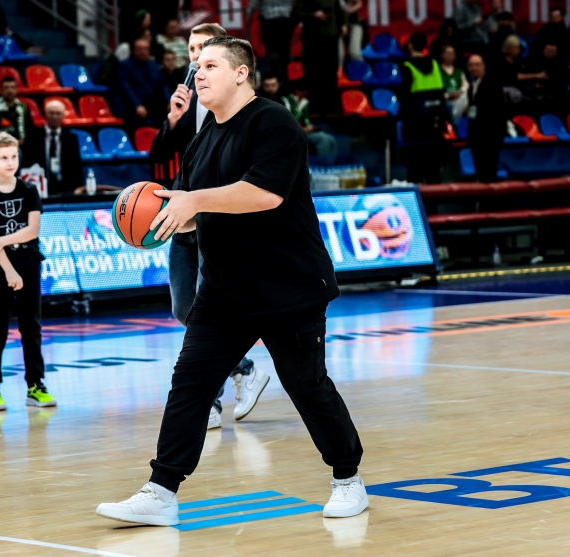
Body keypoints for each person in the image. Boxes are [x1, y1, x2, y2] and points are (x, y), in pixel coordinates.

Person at [95, 35, 367, 527]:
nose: (198, 73)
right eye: (196, 66)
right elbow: (195, 210)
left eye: (210, 65)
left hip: (288, 286)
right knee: (190, 384)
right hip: (224, 291)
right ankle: (161, 490)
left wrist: (195, 201)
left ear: (241, 73)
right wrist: (163, 220)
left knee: (307, 386)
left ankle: (348, 478)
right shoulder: (201, 139)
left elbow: (265, 195)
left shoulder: (273, 122)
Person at [149, 22, 266, 429]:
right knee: (183, 306)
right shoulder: (188, 100)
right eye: (191, 50)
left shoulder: (241, 108)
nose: (195, 59)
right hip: (185, 214)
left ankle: (210, 402)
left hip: (219, 218)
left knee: (207, 310)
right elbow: (160, 155)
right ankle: (245, 368)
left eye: (203, 50)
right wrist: (172, 119)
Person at [0, 131, 56, 412]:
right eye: (3, 158)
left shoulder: (29, 190)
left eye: (13, 156)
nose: (10, 162)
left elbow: (33, 230)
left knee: (31, 327)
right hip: (1, 269)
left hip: (30, 263)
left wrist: (3, 240)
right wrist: (9, 270)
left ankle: (36, 385)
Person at [400, 33, 447, 184]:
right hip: (434, 124)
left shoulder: (407, 66)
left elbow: (404, 96)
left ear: (410, 45)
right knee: (434, 171)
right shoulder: (434, 64)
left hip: (415, 125)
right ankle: (436, 199)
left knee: (415, 171)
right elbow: (441, 91)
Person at [22, 99, 83, 196]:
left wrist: (79, 189)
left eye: (58, 113)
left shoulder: (71, 138)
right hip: (40, 187)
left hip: (66, 187)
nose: (54, 117)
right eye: (51, 113)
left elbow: (76, 166)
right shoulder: (33, 137)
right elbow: (27, 164)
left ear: (63, 116)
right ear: (45, 114)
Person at [293, 0, 342, 115]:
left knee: (330, 74)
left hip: (330, 38)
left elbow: (338, 10)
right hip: (312, 38)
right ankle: (314, 109)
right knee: (313, 73)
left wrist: (342, 24)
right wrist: (314, 14)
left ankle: (331, 109)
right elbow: (296, 13)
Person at [466, 54, 506, 182]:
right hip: (477, 135)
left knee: (489, 171)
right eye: (471, 65)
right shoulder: (471, 87)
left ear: (483, 66)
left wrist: (497, 135)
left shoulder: (493, 84)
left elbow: (498, 111)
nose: (474, 68)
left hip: (490, 135)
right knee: (480, 170)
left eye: (477, 65)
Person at [117, 37, 170, 127]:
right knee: (136, 116)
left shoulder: (154, 65)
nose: (143, 52)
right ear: (133, 51)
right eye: (139, 49)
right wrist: (137, 105)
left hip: (151, 106)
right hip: (131, 106)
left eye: (146, 49)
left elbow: (163, 85)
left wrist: (168, 101)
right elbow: (126, 89)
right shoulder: (124, 66)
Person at [283, 77, 338, 157]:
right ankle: (323, 162)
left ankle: (333, 163)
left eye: (306, 91)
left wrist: (309, 126)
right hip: (293, 133)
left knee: (331, 139)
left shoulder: (304, 102)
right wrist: (303, 129)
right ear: (296, 90)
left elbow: (306, 120)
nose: (305, 93)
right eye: (303, 90)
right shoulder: (286, 102)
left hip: (304, 132)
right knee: (323, 139)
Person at [246, 0, 296, 80]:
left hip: (273, 20)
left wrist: (249, 11)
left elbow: (252, 5)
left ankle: (277, 78)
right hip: (283, 19)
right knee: (282, 52)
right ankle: (281, 78)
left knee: (276, 52)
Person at [0, 76, 33, 146]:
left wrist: (23, 140)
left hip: (23, 144)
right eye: (6, 88)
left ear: (17, 90)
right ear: (1, 91)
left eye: (13, 87)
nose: (10, 91)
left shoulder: (24, 108)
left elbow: (30, 129)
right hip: (2, 144)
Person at [438, 44, 469, 123]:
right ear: (442, 55)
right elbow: (436, 91)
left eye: (452, 53)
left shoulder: (459, 71)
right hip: (446, 100)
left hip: (460, 98)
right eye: (448, 53)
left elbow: (466, 86)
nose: (450, 56)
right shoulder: (437, 71)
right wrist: (448, 96)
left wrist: (459, 92)